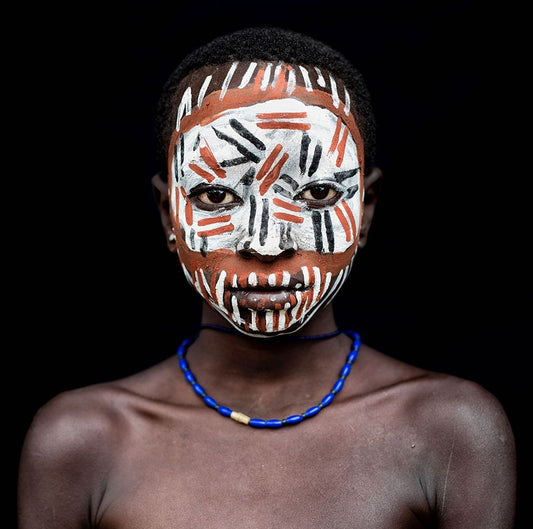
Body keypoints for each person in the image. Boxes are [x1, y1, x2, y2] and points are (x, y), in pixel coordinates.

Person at [17, 26, 516, 528]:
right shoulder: (82, 440)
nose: (266, 243)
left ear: (365, 210)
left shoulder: (450, 430)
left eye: (317, 193)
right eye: (216, 196)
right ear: (168, 213)